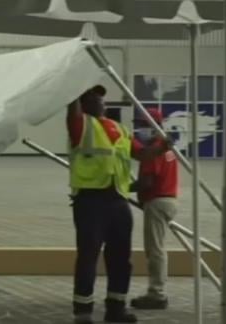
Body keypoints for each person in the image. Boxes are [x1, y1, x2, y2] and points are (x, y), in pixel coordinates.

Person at [66, 85, 172, 324]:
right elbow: (71, 105)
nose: (100, 100)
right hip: (90, 201)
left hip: (118, 201)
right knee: (88, 257)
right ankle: (83, 312)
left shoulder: (121, 131)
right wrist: (74, 82)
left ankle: (116, 308)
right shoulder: (81, 125)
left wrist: (162, 147)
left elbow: (142, 155)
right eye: (92, 97)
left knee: (121, 258)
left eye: (101, 97)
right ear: (82, 104)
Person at [130, 108, 179, 310]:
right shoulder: (165, 148)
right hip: (168, 200)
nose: (138, 129)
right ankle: (157, 291)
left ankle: (156, 293)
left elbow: (146, 183)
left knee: (155, 250)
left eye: (142, 124)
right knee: (157, 248)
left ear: (154, 125)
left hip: (157, 201)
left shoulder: (154, 150)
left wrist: (120, 187)